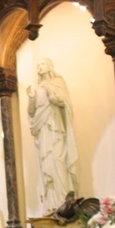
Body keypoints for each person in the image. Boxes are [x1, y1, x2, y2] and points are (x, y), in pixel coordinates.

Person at [27, 58, 79, 215]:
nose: (39, 67)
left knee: (58, 161)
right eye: (38, 65)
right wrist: (31, 97)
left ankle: (64, 201)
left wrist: (54, 98)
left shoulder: (58, 82)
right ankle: (51, 205)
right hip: (43, 130)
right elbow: (31, 111)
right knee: (46, 165)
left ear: (49, 66)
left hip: (55, 128)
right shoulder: (37, 89)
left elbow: (65, 103)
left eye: (42, 64)